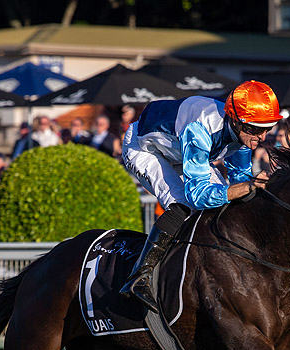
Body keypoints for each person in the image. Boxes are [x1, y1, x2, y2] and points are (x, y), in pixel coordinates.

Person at [120, 80, 281, 312]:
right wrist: (247, 187)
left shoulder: (243, 135)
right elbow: (197, 195)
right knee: (183, 204)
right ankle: (139, 277)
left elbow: (240, 182)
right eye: (256, 129)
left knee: (226, 202)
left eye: (268, 128)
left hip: (180, 150)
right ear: (236, 120)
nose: (263, 136)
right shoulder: (200, 128)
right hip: (144, 149)